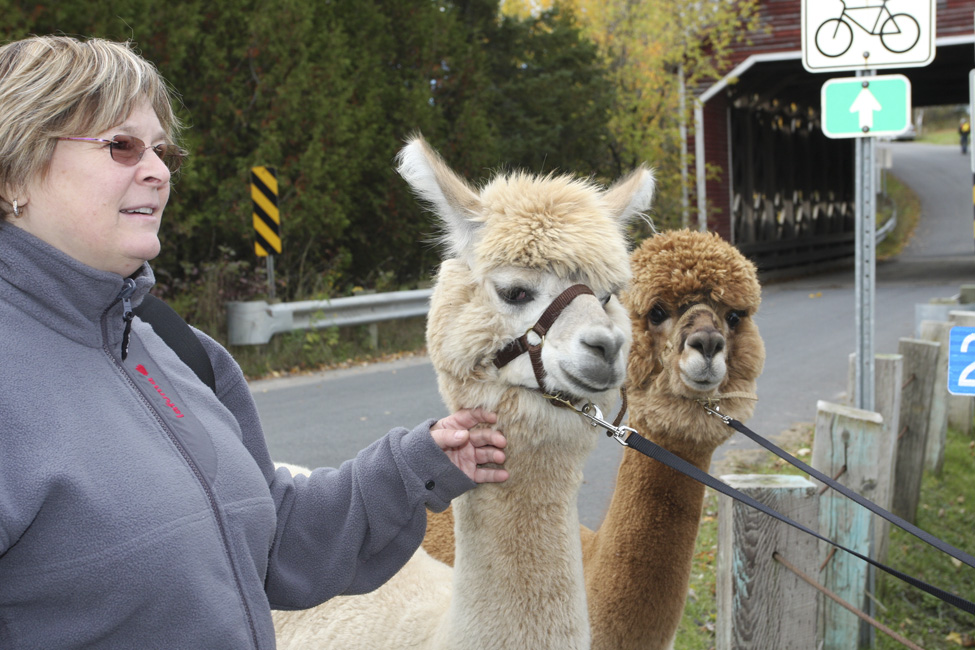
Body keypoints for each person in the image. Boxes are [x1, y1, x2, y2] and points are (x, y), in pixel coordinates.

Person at [0, 35, 508, 649]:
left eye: (162, 150)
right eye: (121, 146)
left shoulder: (177, 348)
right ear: (13, 173)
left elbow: (272, 540)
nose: (158, 171)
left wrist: (414, 466)